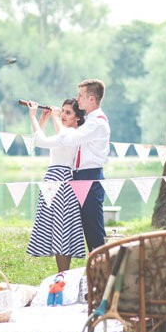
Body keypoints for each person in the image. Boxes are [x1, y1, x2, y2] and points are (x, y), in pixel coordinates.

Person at [25, 98, 86, 272]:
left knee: (62, 227)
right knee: (54, 226)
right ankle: (62, 274)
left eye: (68, 112)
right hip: (52, 179)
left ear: (78, 118)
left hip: (62, 181)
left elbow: (42, 141)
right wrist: (43, 118)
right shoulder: (65, 134)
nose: (64, 115)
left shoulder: (73, 135)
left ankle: (63, 274)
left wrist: (34, 116)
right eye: (63, 111)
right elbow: (41, 139)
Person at [52, 79, 110, 252]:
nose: (77, 99)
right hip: (79, 176)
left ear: (91, 99)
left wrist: (56, 118)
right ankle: (95, 271)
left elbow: (69, 138)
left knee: (94, 230)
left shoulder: (97, 122)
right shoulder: (89, 121)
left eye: (81, 95)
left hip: (90, 177)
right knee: (84, 228)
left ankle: (102, 271)